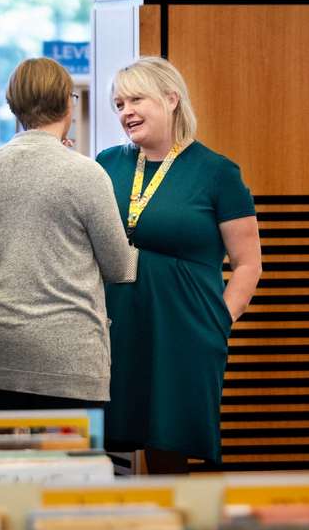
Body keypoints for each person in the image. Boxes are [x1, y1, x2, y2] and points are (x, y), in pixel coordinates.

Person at [97, 57, 262, 472]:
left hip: (186, 329)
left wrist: (220, 319)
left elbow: (248, 263)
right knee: (109, 438)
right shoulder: (106, 164)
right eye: (119, 104)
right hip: (114, 323)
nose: (126, 112)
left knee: (170, 446)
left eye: (136, 99)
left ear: (171, 99)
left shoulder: (217, 172)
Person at [0, 57, 136, 411]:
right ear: (67, 103)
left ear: (14, 105)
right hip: (65, 360)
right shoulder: (85, 173)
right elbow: (118, 266)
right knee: (69, 466)